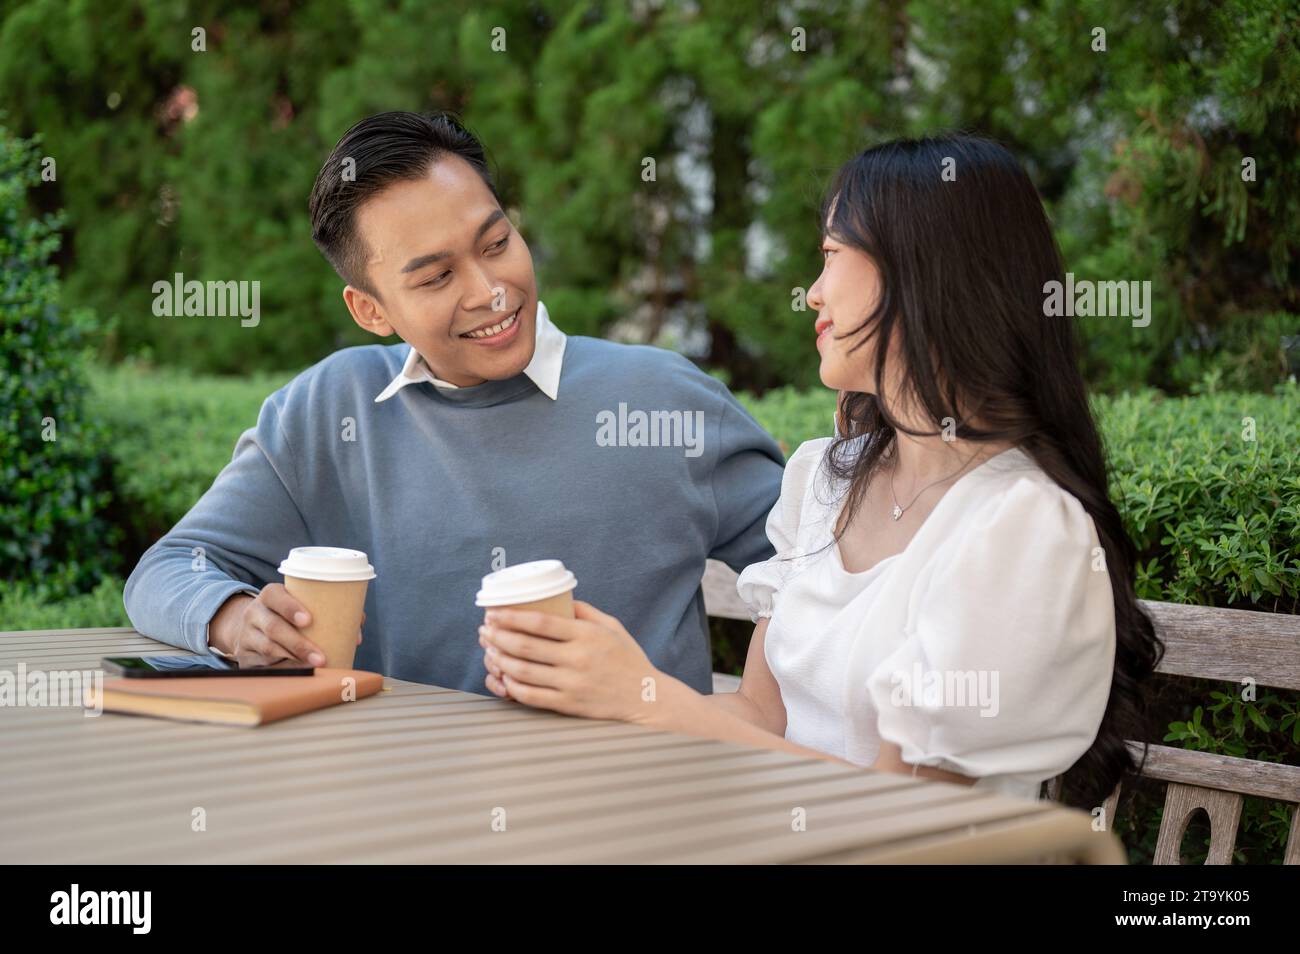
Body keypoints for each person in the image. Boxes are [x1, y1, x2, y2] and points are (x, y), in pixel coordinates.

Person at [478, 134, 1164, 808]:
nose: (811, 293)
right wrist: (605, 689)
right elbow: (759, 717)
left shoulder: (1020, 527)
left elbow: (905, 818)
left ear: (920, 273)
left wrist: (643, 698)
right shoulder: (827, 479)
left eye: (832, 255)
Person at [123, 111, 784, 696]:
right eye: (438, 277)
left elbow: (827, 570)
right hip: (411, 804)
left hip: (642, 808)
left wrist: (752, 720)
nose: (490, 290)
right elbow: (169, 570)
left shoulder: (661, 399)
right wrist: (236, 621)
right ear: (371, 310)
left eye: (496, 245)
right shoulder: (328, 412)